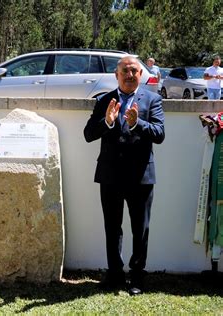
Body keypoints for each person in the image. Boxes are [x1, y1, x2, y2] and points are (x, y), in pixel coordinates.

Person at [84, 56, 165, 295]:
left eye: (134, 71)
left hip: (141, 177)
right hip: (110, 175)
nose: (130, 75)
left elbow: (159, 134)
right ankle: (115, 274)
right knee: (112, 227)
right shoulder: (103, 100)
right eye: (125, 71)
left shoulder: (153, 99)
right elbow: (88, 134)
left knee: (140, 229)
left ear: (141, 75)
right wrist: (106, 122)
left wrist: (137, 122)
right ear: (116, 75)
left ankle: (137, 277)